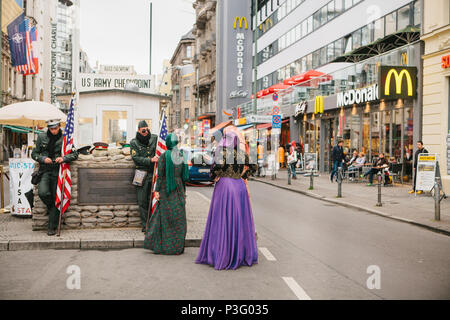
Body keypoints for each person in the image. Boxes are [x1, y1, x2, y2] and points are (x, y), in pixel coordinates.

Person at [196, 131, 258, 270]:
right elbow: (254, 166)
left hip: (225, 187)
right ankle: (238, 253)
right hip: (239, 186)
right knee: (238, 220)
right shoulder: (241, 154)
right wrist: (244, 174)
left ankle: (222, 253)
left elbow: (216, 168)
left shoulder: (222, 153)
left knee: (223, 219)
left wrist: (214, 176)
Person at [144, 133, 190, 255]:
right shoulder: (182, 155)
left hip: (166, 188)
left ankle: (163, 246)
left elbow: (160, 176)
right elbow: (185, 176)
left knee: (165, 218)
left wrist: (156, 190)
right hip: (179, 188)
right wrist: (183, 191)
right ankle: (177, 247)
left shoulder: (164, 156)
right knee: (178, 218)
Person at [31, 119, 78, 236]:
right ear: (48, 128)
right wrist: (42, 159)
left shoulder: (65, 138)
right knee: (43, 193)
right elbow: (34, 154)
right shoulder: (41, 137)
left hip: (59, 171)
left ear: (59, 127)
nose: (53, 131)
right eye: (51, 128)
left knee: (57, 196)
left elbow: (75, 154)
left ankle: (52, 227)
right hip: (45, 170)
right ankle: (52, 206)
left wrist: (64, 159)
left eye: (55, 128)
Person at [130, 120, 158, 232]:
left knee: (152, 199)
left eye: (147, 129)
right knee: (142, 201)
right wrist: (150, 160)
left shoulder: (155, 139)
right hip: (140, 173)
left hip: (152, 172)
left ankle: (153, 224)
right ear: (138, 130)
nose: (146, 132)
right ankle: (145, 225)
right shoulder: (134, 142)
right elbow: (135, 158)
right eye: (143, 130)